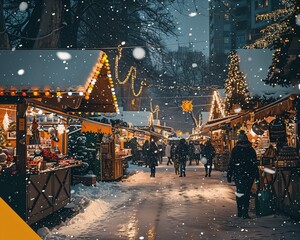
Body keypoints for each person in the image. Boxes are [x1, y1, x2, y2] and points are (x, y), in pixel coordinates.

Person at [227, 130, 260, 219]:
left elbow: (231, 163)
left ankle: (239, 211)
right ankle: (245, 212)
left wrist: (229, 174)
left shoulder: (235, 150)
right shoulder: (251, 150)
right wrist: (257, 175)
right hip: (249, 173)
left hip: (239, 173)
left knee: (239, 192)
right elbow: (255, 163)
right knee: (247, 193)